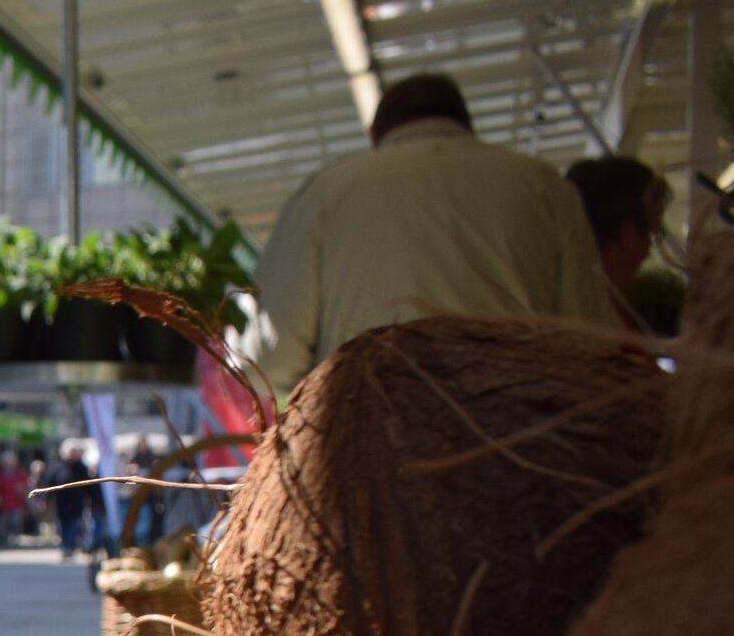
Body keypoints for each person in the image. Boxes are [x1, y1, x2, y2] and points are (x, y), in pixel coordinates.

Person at [242, 72, 619, 394]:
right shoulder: (544, 186)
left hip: (368, 436)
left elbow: (273, 361)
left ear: (375, 136)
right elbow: (591, 340)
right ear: (465, 126)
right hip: (515, 435)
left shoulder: (325, 192)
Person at [565, 154, 674, 333]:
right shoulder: (600, 326)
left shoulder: (570, 306)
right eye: (649, 234)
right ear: (628, 232)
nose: (648, 252)